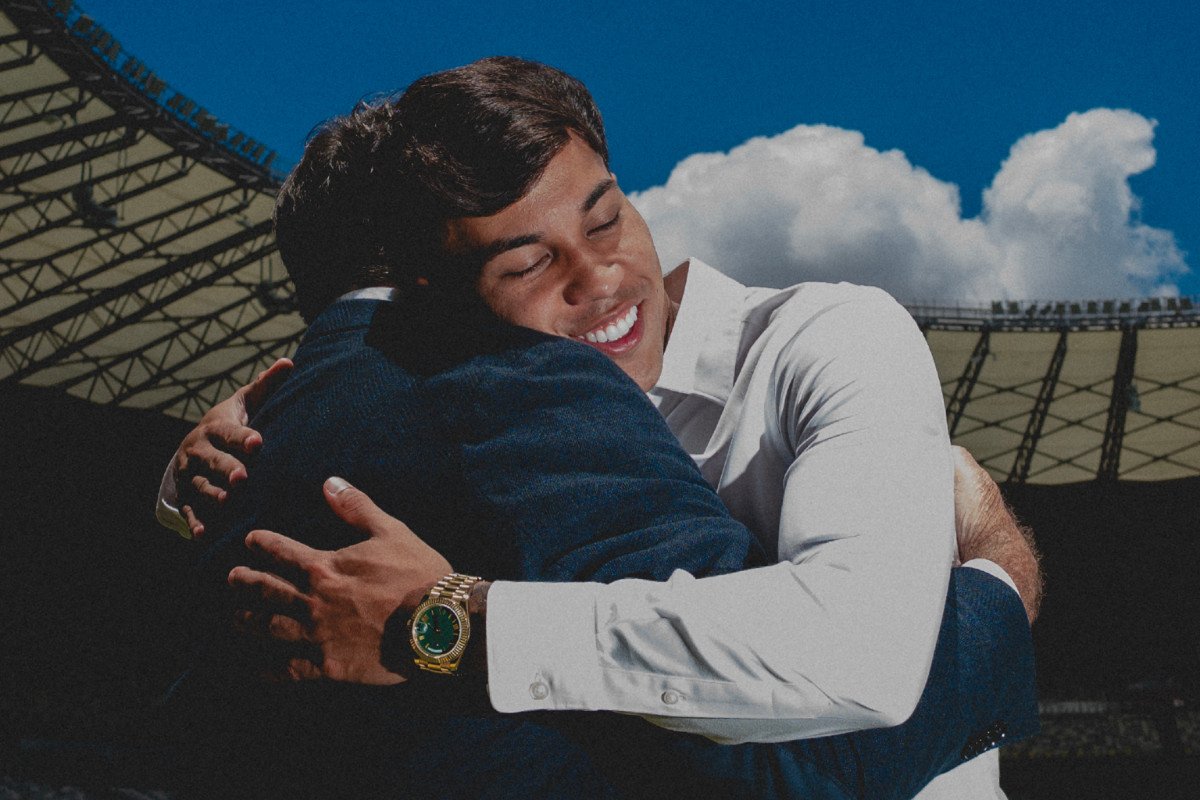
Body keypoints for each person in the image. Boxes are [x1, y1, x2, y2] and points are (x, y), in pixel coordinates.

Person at [160, 57, 1041, 798]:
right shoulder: (507, 404)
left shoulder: (827, 338)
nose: (600, 276)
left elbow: (862, 663)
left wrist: (454, 625)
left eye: (607, 217)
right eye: (530, 260)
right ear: (440, 294)